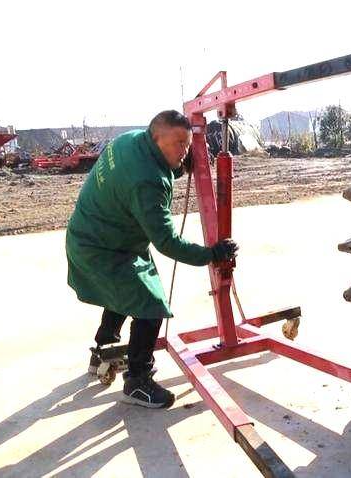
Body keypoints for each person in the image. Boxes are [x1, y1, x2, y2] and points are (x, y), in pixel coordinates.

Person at [66, 110, 238, 409]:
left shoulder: (130, 140)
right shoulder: (147, 182)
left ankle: (103, 350)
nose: (185, 150)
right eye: (179, 143)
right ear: (157, 138)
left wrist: (178, 164)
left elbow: (145, 171)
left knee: (125, 292)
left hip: (100, 236)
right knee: (150, 304)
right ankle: (137, 382)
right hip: (102, 249)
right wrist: (211, 254)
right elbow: (167, 243)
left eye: (188, 144)